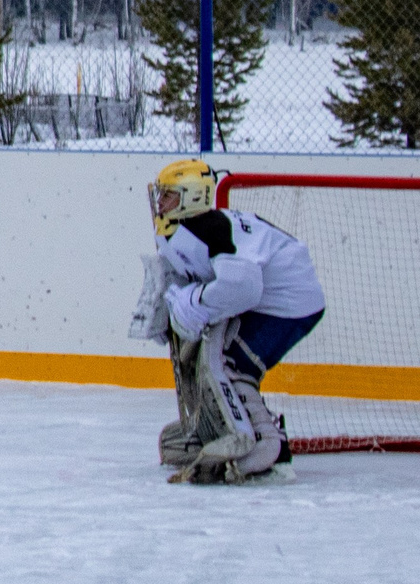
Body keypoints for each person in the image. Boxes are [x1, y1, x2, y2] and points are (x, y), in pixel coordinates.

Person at [136, 158, 324, 484]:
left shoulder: (208, 229)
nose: (160, 203)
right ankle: (222, 429)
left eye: (168, 195)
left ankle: (269, 448)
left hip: (291, 302)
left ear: (191, 197)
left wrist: (196, 302)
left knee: (231, 362)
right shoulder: (186, 228)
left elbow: (244, 287)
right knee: (214, 356)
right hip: (275, 298)